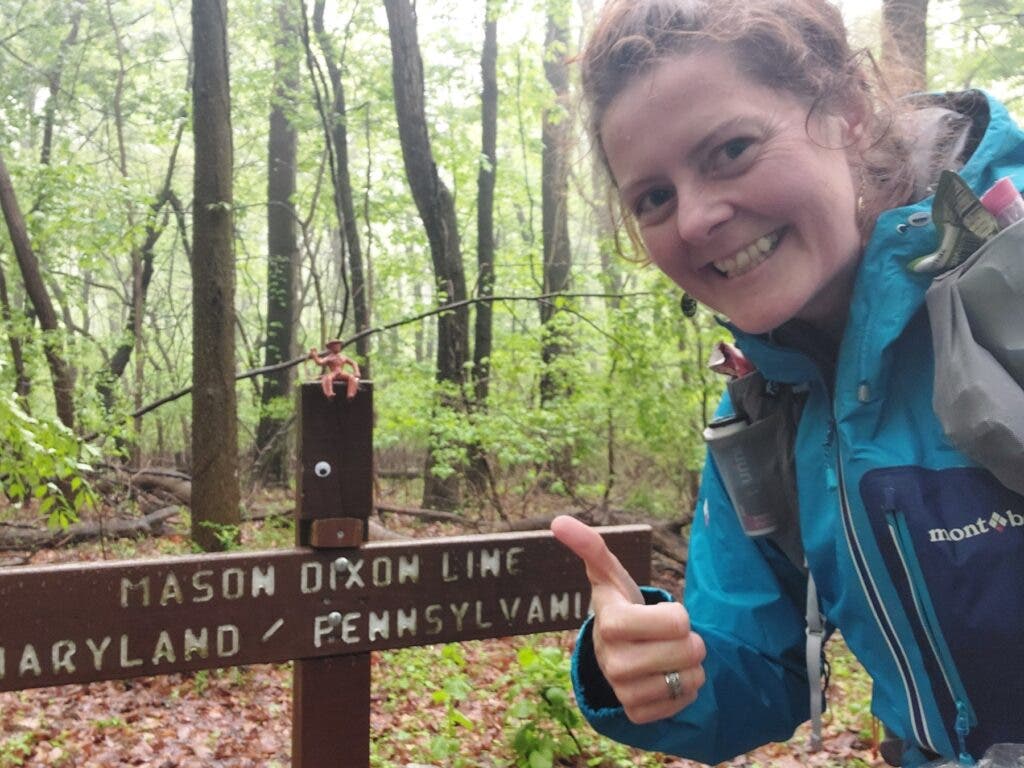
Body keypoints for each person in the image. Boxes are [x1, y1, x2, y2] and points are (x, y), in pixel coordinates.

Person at [549, 1, 1024, 766]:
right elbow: (756, 674)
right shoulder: (767, 404)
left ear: (848, 115)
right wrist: (643, 665)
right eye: (654, 198)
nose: (697, 218)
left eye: (731, 149)